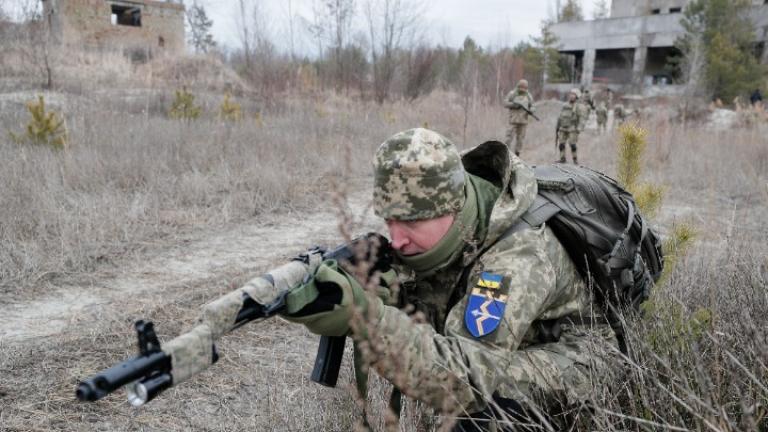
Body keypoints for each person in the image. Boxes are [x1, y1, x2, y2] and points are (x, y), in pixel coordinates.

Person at [285, 128, 619, 431]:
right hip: (522, 333)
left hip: (580, 357)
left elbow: (465, 381)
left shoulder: (517, 257)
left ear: (454, 209)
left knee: (481, 407)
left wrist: (369, 319)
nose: (398, 239)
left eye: (411, 222)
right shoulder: (452, 211)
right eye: (390, 221)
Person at [502, 79, 535, 157]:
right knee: (508, 138)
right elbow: (505, 103)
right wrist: (514, 105)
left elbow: (533, 106)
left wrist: (531, 110)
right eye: (521, 87)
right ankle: (505, 153)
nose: (522, 89)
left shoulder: (528, 95)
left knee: (520, 139)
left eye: (524, 88)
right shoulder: (512, 94)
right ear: (518, 86)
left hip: (523, 121)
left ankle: (517, 154)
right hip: (513, 120)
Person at [556, 89, 583, 164]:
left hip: (572, 128)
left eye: (573, 94)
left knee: (572, 144)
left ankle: (575, 160)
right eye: (571, 94)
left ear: (577, 96)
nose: (571, 96)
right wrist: (558, 126)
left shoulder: (578, 107)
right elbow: (561, 116)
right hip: (563, 127)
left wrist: (579, 128)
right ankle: (562, 158)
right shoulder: (565, 105)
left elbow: (581, 118)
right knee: (561, 144)